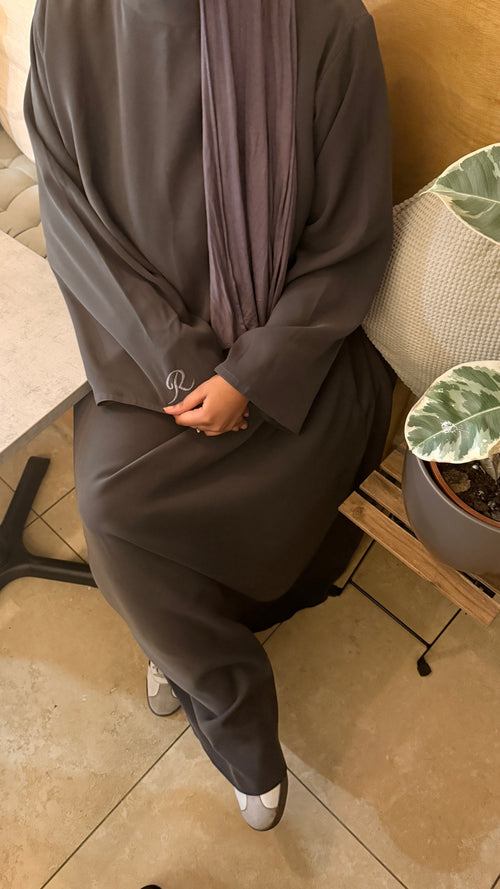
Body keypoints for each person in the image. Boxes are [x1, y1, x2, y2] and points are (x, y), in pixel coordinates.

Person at [25, 0, 394, 831]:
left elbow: (351, 242)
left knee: (122, 516)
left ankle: (182, 649)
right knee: (112, 505)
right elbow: (72, 220)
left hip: (300, 358)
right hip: (144, 351)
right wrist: (179, 359)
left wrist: (250, 376)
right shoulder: (68, 19)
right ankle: (225, 687)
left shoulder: (328, 28)